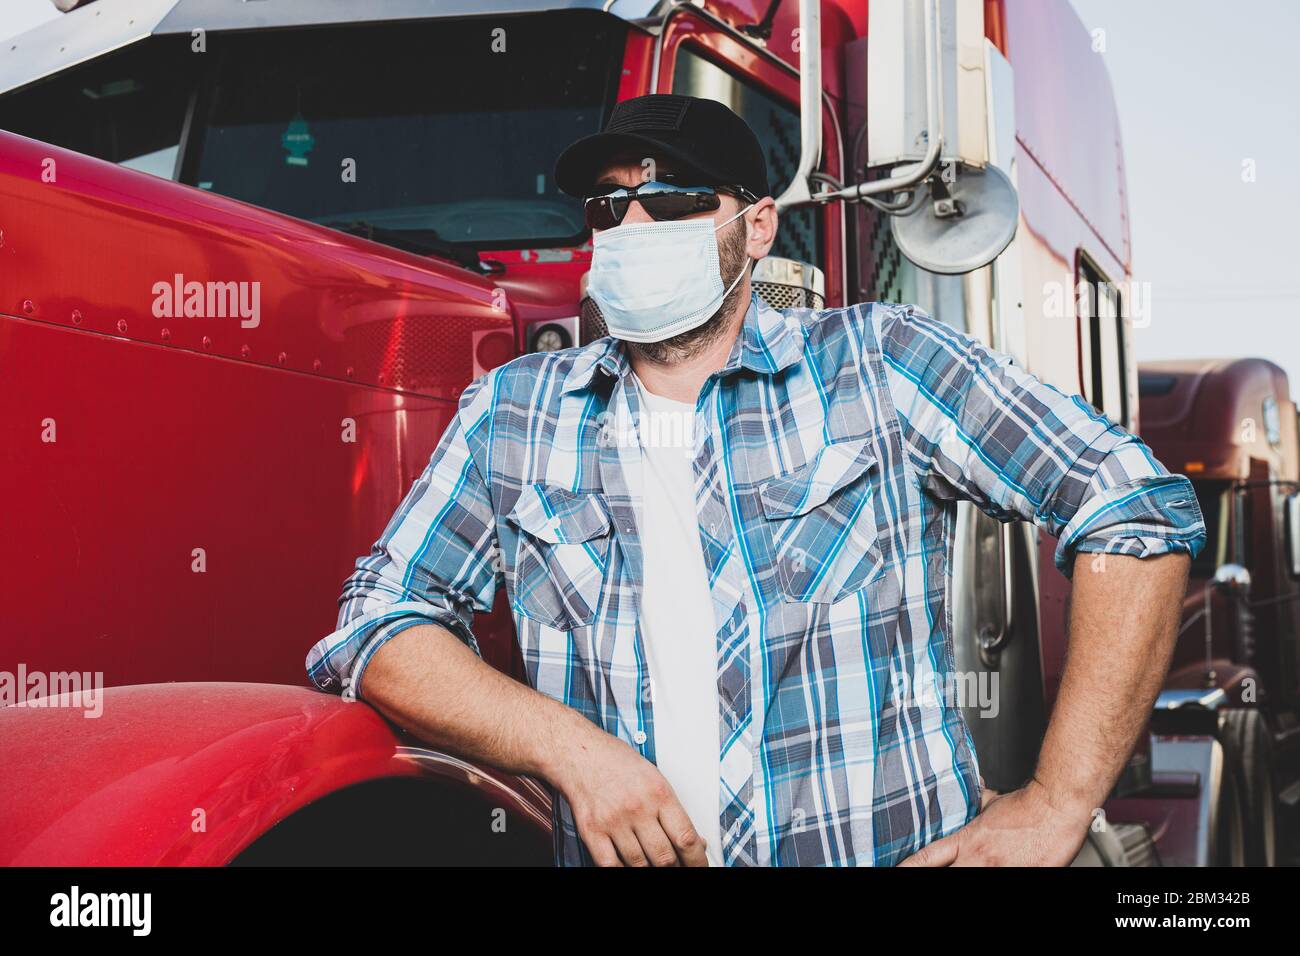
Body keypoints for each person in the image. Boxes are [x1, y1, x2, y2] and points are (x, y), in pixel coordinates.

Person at [306, 94, 1205, 866]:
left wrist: (1058, 801)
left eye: (677, 200)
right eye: (609, 207)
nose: (634, 229)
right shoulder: (514, 412)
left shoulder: (879, 365)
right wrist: (576, 754)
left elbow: (1131, 503)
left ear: (758, 224)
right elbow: (380, 623)